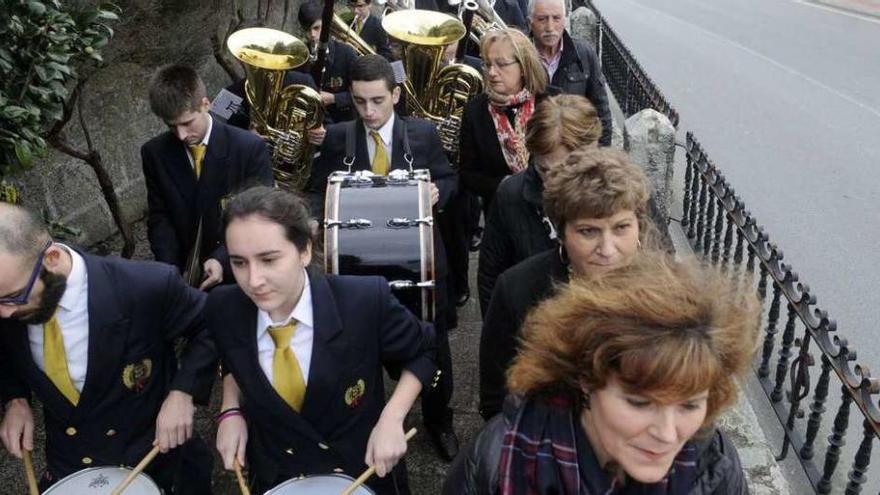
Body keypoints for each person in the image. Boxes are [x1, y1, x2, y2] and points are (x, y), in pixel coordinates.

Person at [445, 252, 760, 494]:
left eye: (690, 405)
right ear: (586, 379)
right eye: (639, 403)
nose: (667, 434)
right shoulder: (497, 461)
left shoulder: (713, 462)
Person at [207, 186, 435, 494]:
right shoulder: (224, 307)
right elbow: (233, 358)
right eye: (239, 263)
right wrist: (230, 408)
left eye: (269, 259)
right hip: (277, 471)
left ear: (304, 250)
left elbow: (423, 351)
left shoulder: (363, 300)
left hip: (360, 469)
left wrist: (392, 418)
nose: (253, 280)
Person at [308, 53, 461, 462]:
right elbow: (314, 191)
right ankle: (368, 420)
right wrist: (314, 221)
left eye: (378, 100)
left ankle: (439, 420)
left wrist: (437, 194)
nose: (369, 111)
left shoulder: (423, 135)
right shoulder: (340, 137)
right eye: (359, 102)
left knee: (434, 347)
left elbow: (449, 178)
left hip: (420, 265)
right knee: (360, 349)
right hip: (359, 269)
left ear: (396, 94)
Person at [0, 203, 216, 493]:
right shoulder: (8, 297)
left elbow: (211, 324)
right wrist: (16, 399)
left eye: (14, 297)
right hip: (72, 464)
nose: (4, 314)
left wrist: (183, 392)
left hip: (155, 459)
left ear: (51, 258)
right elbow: (7, 351)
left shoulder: (144, 285)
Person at [479, 147, 655, 420]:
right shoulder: (518, 290)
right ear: (561, 232)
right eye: (588, 231)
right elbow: (496, 400)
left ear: (638, 226)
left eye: (621, 228)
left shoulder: (667, 294)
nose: (607, 249)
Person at [142, 64, 274, 289]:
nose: (181, 135)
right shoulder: (154, 152)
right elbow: (160, 217)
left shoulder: (248, 147)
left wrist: (222, 258)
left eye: (187, 123)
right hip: (185, 275)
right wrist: (169, 269)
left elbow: (260, 215)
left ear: (205, 104)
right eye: (171, 126)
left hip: (242, 270)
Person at [477, 93, 601, 314]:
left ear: (592, 151)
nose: (553, 183)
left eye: (567, 170)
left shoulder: (619, 196)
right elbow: (491, 278)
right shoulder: (511, 195)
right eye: (543, 170)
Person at [459, 28, 550, 216]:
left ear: (524, 67)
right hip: (502, 214)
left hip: (551, 210)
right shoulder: (475, 111)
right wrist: (504, 185)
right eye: (487, 64)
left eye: (501, 64)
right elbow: (468, 173)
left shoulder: (550, 102)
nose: (492, 72)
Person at [528, 0, 612, 146]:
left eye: (556, 18)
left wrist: (599, 158)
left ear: (565, 19)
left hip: (573, 153)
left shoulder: (584, 54)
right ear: (530, 22)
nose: (550, 27)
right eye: (542, 19)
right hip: (532, 151)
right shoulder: (520, 56)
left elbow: (601, 111)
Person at [298, 2, 360, 123]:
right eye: (307, 30)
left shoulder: (346, 53)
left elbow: (361, 95)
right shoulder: (300, 56)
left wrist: (334, 98)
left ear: (326, 25)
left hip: (341, 124)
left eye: (316, 28)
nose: (312, 35)